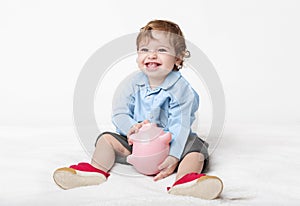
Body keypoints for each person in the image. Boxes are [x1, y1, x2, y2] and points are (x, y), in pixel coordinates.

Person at [53, 19, 223, 200]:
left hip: (171, 145)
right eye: (145, 49)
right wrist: (131, 129)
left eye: (162, 50)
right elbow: (119, 113)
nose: (152, 55)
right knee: (106, 139)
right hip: (135, 147)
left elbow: (180, 126)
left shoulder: (182, 90)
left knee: (196, 149)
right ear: (137, 55)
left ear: (178, 57)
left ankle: (185, 181)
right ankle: (95, 171)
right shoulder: (132, 83)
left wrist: (173, 156)